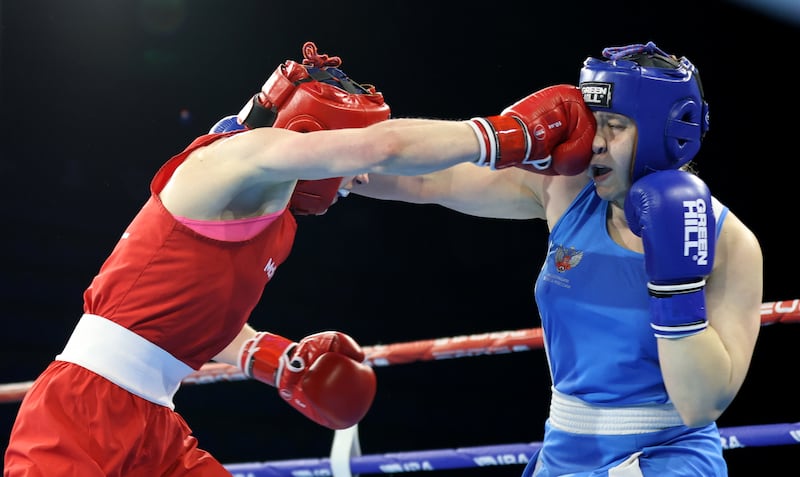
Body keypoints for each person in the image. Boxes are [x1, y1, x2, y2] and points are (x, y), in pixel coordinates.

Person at [3, 41, 596, 476]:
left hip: (155, 422)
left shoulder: (270, 209)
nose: (356, 179)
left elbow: (178, 314)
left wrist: (273, 359)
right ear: (309, 139)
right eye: (343, 161)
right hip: (80, 410)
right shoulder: (230, 163)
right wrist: (508, 133)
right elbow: (382, 148)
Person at [350, 41, 763, 476]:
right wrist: (332, 160)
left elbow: (701, 404)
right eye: (593, 122)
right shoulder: (566, 192)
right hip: (564, 450)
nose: (596, 143)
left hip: (666, 460)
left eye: (616, 126)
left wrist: (676, 280)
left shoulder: (728, 243)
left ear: (668, 132)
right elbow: (432, 180)